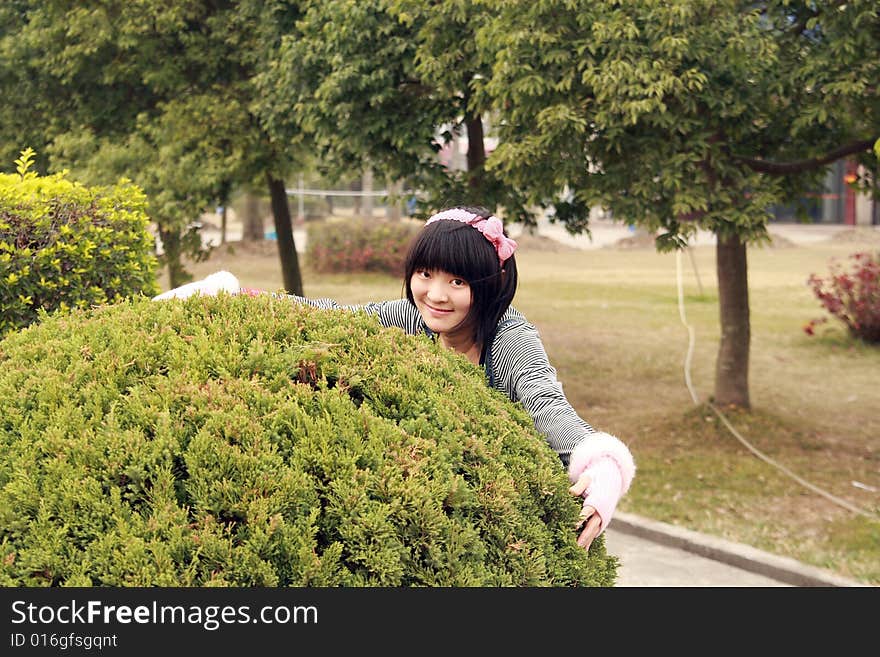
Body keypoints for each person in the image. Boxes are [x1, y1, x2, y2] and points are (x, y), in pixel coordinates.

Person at [154, 206, 636, 551]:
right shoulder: (406, 317)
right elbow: (323, 315)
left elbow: (545, 402)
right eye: (424, 273)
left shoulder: (508, 338)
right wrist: (230, 293)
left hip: (496, 526)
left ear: (487, 287)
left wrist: (603, 467)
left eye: (458, 282)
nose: (436, 295)